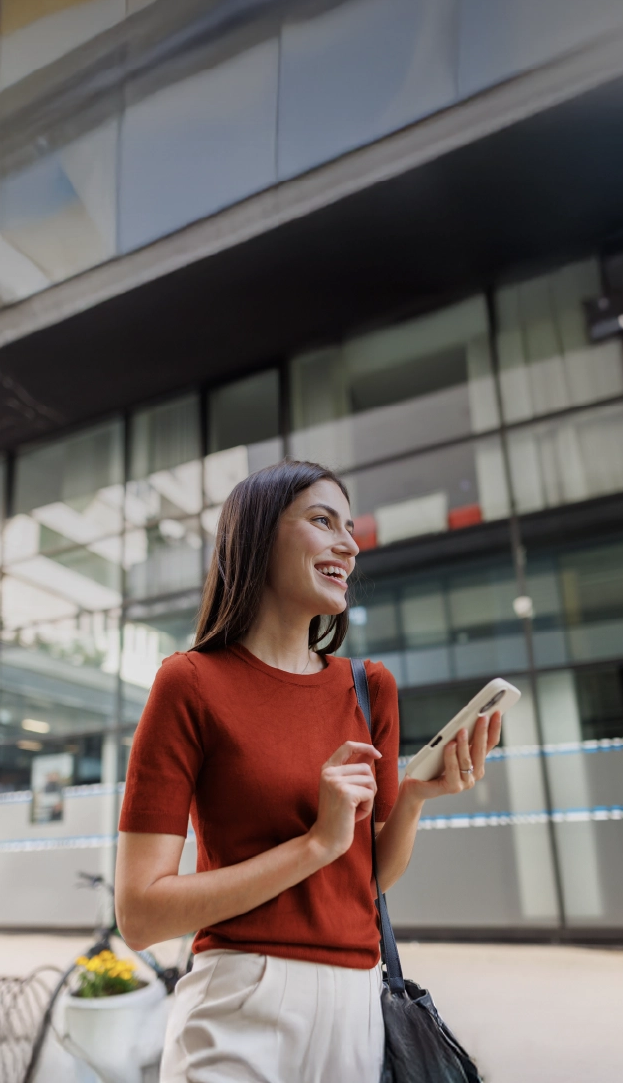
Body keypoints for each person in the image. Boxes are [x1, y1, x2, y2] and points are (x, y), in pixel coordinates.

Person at [116, 459, 500, 1083]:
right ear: (258, 535)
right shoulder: (189, 683)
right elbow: (140, 915)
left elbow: (371, 875)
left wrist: (415, 799)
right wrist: (316, 844)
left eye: (350, 529)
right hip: (239, 1000)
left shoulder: (369, 687)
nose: (349, 545)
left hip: (356, 1002)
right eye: (323, 522)